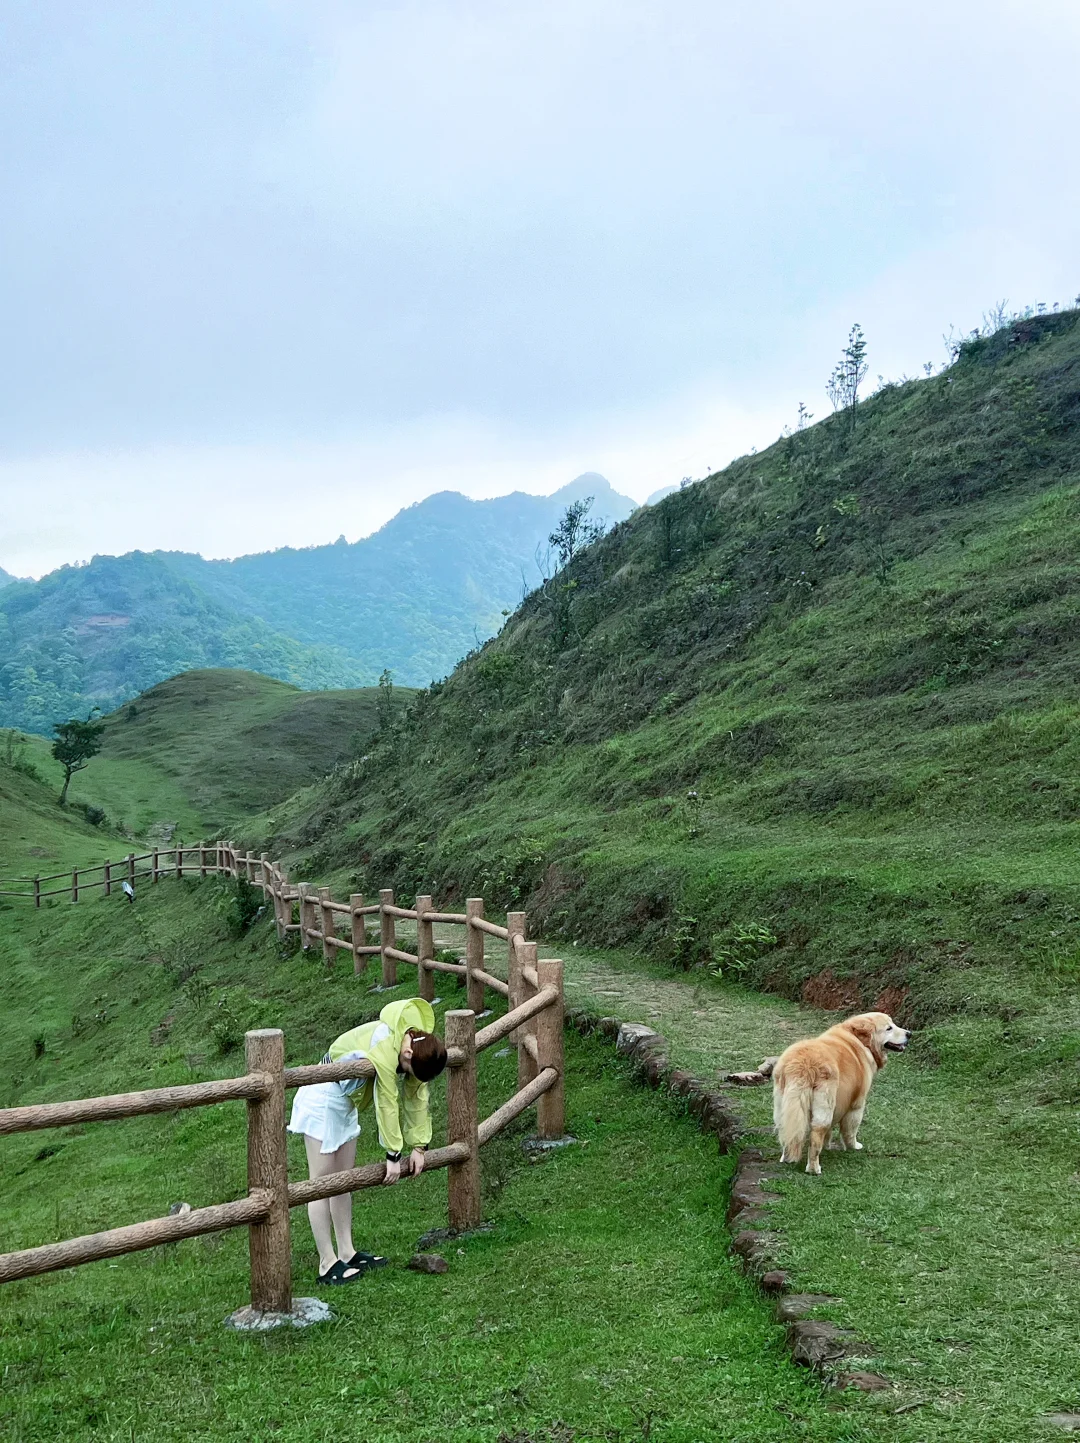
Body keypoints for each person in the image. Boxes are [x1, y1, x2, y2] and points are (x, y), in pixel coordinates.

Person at [287, 997, 448, 1284]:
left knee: (343, 1180)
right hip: (323, 1097)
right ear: (408, 1052)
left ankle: (347, 1252)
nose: (408, 1076)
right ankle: (327, 1262)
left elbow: (416, 1096)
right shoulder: (386, 1047)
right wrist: (393, 1155)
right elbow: (387, 1101)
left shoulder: (417, 1048)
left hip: (345, 1102)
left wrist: (419, 1146)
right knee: (320, 1183)